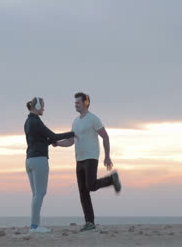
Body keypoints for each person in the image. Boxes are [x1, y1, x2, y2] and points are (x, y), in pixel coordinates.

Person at [53, 92, 121, 232]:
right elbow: (71, 141)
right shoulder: (75, 121)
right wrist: (58, 143)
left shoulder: (93, 119)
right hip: (79, 159)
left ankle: (111, 179)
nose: (75, 105)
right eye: (75, 103)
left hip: (91, 157)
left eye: (78, 102)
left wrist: (107, 156)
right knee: (83, 192)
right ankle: (89, 223)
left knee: (90, 185)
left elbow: (105, 137)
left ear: (85, 103)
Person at [24, 97, 75, 233]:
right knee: (40, 193)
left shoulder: (28, 121)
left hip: (29, 160)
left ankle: (35, 225)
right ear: (38, 105)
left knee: (36, 194)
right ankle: (34, 226)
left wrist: (50, 142)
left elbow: (40, 141)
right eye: (43, 106)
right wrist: (73, 133)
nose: (44, 109)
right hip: (39, 160)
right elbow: (53, 136)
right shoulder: (36, 121)